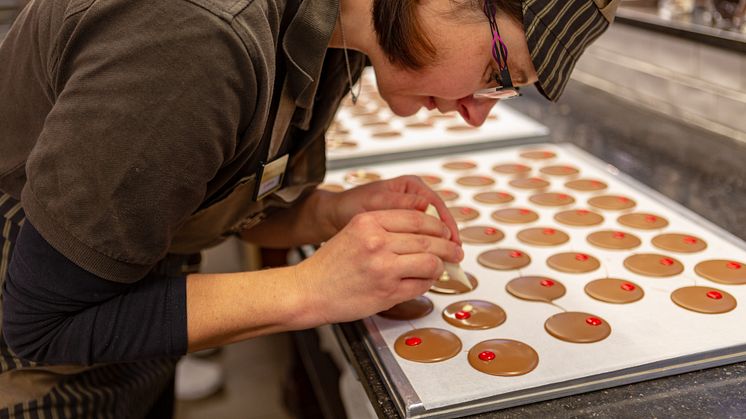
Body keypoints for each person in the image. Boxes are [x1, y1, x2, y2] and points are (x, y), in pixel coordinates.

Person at [0, 0, 620, 416]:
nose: (478, 111)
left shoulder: (335, 36)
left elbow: (190, 196)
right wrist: (310, 289)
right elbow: (42, 324)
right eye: (497, 69)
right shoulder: (196, 40)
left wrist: (327, 213)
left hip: (131, 342)